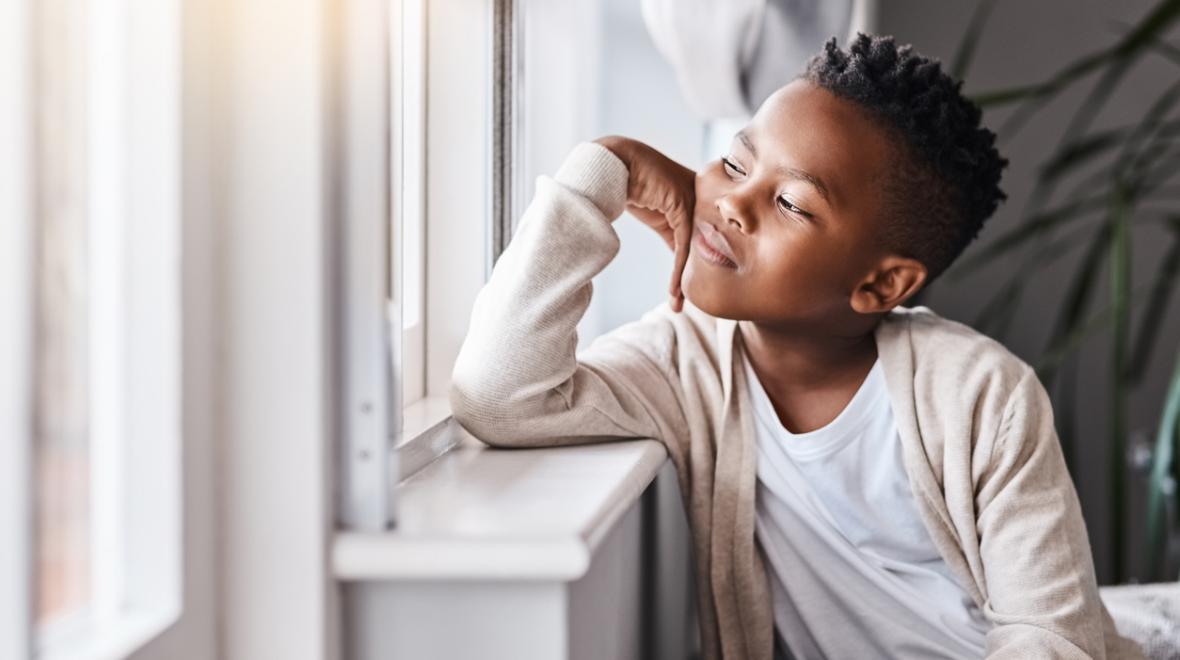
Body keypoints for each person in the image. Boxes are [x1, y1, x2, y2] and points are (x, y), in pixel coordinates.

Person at [449, 33, 1145, 660]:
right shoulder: (684, 363)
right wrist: (600, 171)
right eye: (734, 161)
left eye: (790, 204)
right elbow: (500, 396)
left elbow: (1054, 638)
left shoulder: (981, 394)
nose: (732, 203)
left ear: (880, 283)